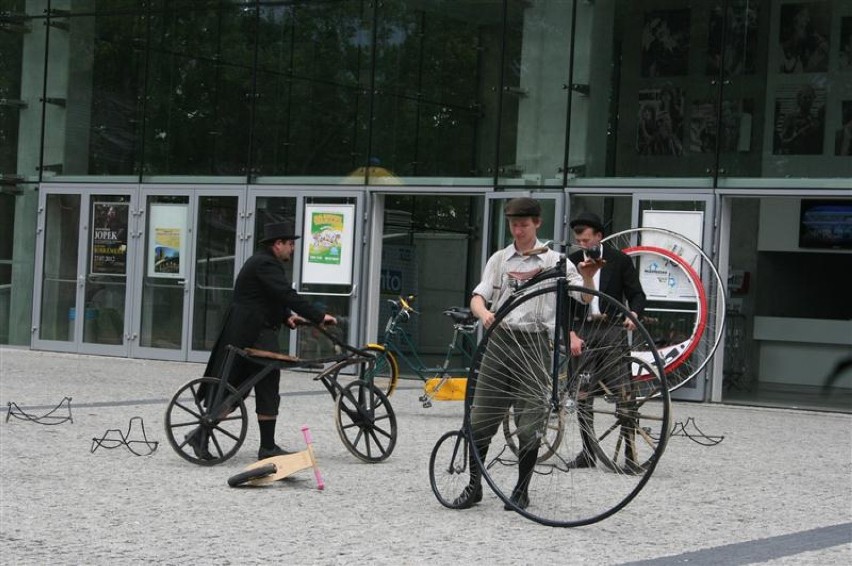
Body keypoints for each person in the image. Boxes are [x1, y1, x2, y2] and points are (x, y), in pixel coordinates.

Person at [458, 198, 601, 510]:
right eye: (513, 224)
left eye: (524, 224)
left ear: (537, 223)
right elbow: (479, 296)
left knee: (531, 421)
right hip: (500, 341)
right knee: (481, 416)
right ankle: (473, 485)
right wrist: (483, 313)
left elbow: (582, 294)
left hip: (536, 345)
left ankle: (521, 490)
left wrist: (588, 276)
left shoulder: (557, 262)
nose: (518, 230)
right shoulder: (499, 259)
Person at [187, 221, 337, 461]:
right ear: (277, 244)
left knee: (241, 388)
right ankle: (265, 447)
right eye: (290, 244)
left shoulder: (261, 262)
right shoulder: (266, 264)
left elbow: (265, 298)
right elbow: (285, 294)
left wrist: (286, 316)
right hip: (254, 334)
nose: (292, 249)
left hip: (249, 331)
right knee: (264, 383)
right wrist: (319, 316)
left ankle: (204, 435)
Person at [566, 211, 646, 470]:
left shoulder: (619, 260)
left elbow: (637, 294)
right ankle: (588, 452)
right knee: (583, 393)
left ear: (599, 237)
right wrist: (570, 334)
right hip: (583, 331)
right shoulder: (571, 261)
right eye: (578, 239)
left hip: (612, 330)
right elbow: (562, 303)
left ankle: (631, 455)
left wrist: (633, 313)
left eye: (586, 239)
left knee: (624, 392)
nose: (582, 244)